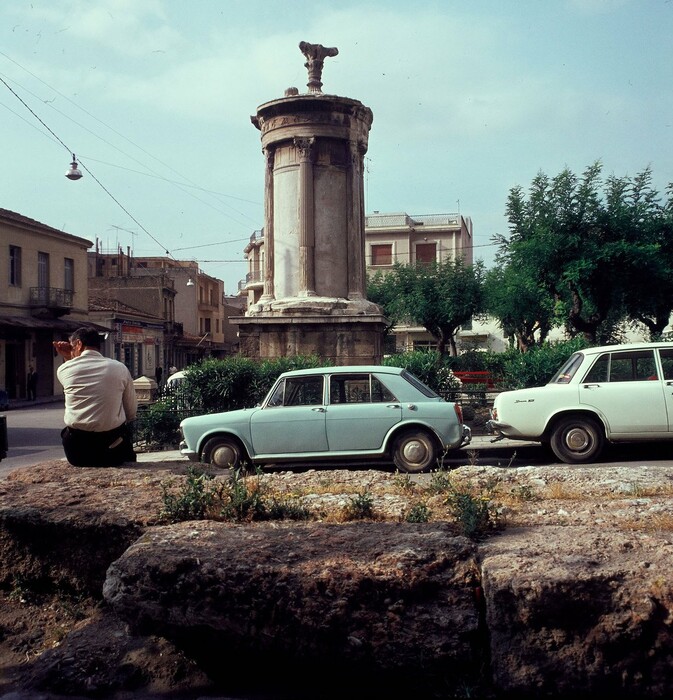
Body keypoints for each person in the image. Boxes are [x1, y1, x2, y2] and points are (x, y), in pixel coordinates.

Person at [53, 326, 138, 467]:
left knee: (66, 432)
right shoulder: (119, 368)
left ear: (79, 344)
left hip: (77, 454)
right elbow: (131, 411)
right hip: (112, 450)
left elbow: (74, 372)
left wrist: (68, 356)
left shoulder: (64, 369)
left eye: (72, 346)